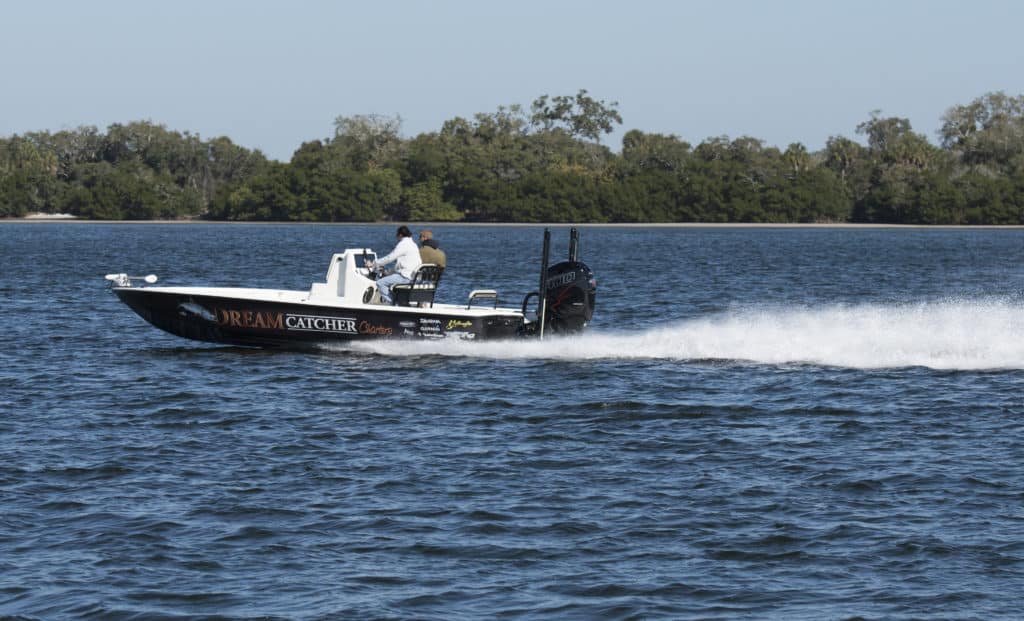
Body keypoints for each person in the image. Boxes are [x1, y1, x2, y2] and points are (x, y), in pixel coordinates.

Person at [366, 226, 422, 305]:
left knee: (380, 283)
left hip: (406, 277)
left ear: (400, 235)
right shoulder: (413, 244)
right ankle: (399, 302)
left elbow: (390, 258)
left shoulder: (403, 244)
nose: (396, 237)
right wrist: (388, 272)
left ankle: (395, 303)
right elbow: (402, 265)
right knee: (388, 279)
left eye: (396, 235)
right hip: (414, 277)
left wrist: (373, 264)